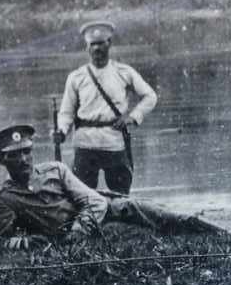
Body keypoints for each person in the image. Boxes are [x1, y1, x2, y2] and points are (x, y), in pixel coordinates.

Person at [0, 124, 223, 247]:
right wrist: (28, 243)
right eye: (14, 156)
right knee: (147, 234)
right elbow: (2, 241)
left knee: (158, 214)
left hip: (102, 213)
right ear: (2, 160)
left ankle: (223, 235)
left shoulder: (55, 170)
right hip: (83, 232)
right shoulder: (5, 199)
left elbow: (95, 202)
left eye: (27, 152)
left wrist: (79, 230)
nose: (23, 160)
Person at [54, 21, 157, 195]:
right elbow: (66, 111)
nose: (97, 49)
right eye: (92, 44)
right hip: (85, 144)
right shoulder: (76, 77)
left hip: (114, 142)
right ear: (87, 47)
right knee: (82, 197)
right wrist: (62, 131)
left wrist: (132, 117)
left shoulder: (124, 72)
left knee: (121, 195)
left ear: (109, 44)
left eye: (101, 43)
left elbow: (150, 96)